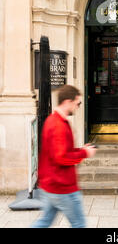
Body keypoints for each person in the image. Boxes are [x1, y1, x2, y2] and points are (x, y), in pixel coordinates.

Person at [31, 85, 97, 228]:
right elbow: (61, 157)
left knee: (44, 222)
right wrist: (85, 153)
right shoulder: (58, 125)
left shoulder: (53, 120)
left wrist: (80, 149)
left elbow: (61, 150)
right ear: (68, 101)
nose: (78, 106)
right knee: (79, 224)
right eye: (77, 103)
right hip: (62, 186)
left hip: (50, 185)